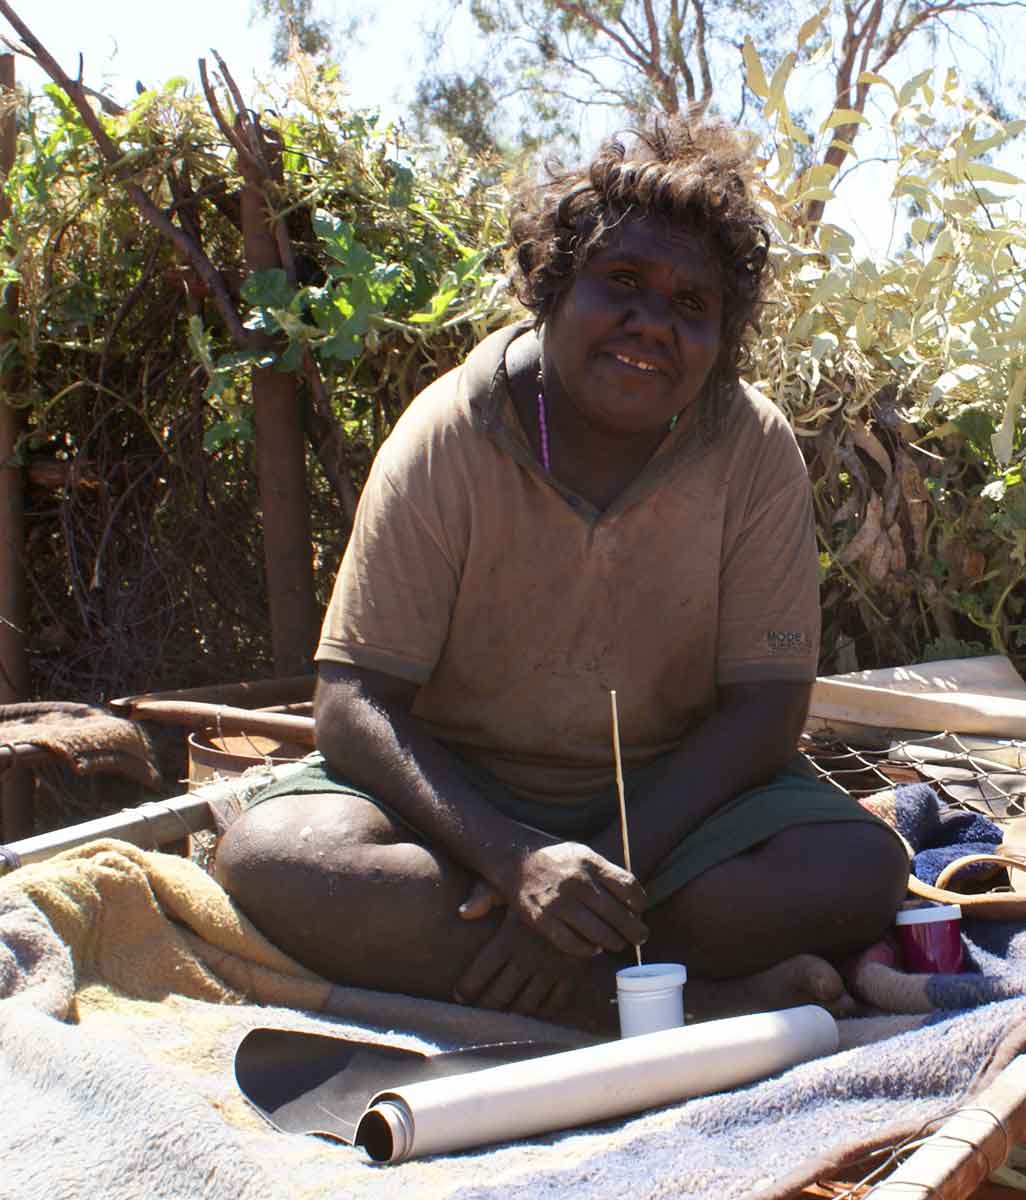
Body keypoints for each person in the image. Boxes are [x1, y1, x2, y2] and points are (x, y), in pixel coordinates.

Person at [215, 117, 908, 1031]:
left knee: (858, 870)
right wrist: (514, 863)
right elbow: (351, 701)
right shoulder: (453, 431)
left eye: (692, 306)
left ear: (722, 336)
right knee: (278, 858)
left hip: (672, 813)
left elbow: (766, 712)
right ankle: (676, 1004)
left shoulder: (750, 446)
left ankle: (546, 971)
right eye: (621, 283)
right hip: (462, 807)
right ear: (551, 286)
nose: (652, 324)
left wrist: (597, 876)